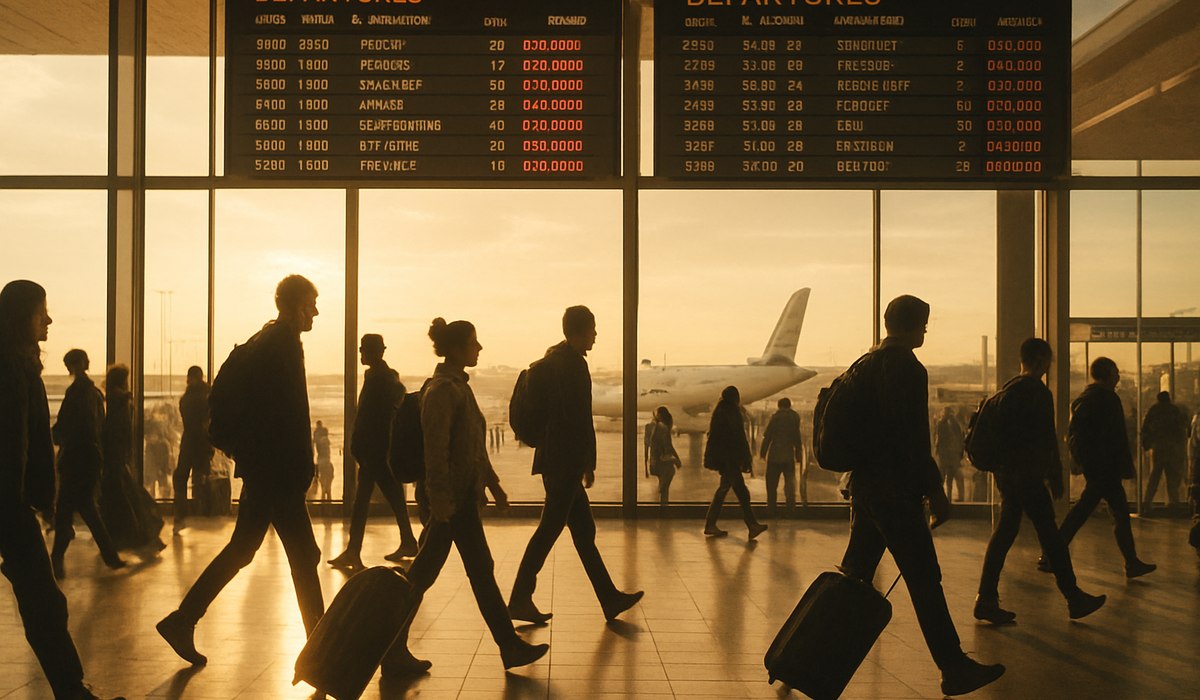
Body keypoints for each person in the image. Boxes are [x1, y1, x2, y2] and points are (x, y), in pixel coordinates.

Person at [838, 295, 1004, 696]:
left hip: (865, 488)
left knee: (853, 579)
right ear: (917, 326)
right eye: (925, 324)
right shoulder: (908, 368)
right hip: (895, 493)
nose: (926, 331)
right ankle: (953, 667)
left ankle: (805, 655)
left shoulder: (864, 364)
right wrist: (934, 489)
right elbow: (910, 438)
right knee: (925, 579)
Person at [157, 275, 325, 666]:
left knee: (244, 549)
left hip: (263, 469)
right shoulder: (282, 346)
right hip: (277, 473)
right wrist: (298, 466)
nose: (315, 312)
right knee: (304, 556)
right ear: (294, 306)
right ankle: (319, 652)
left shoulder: (263, 341)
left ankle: (183, 620)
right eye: (311, 305)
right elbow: (287, 416)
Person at [380, 319, 547, 676]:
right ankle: (507, 646)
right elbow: (435, 451)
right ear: (456, 350)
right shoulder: (443, 391)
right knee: (465, 572)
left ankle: (392, 648)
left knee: (431, 574)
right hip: (451, 502)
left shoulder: (457, 387)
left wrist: (493, 485)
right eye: (473, 342)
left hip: (458, 499)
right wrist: (440, 500)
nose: (479, 348)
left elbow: (471, 448)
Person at [0, 280, 125, 700]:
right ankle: (71, 690)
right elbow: (16, 444)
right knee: (45, 601)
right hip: (10, 504)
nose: (49, 320)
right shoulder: (16, 370)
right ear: (24, 318)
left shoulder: (15, 367)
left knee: (43, 600)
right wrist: (29, 500)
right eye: (42, 313)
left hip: (12, 502)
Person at [508, 306, 643, 624]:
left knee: (582, 531)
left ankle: (608, 598)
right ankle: (519, 598)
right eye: (592, 329)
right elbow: (579, 419)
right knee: (551, 529)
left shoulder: (553, 359)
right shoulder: (573, 366)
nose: (596, 335)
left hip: (554, 459)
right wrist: (587, 462)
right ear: (581, 331)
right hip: (565, 462)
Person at [973, 338, 1106, 625]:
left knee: (1006, 533)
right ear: (1039, 360)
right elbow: (1045, 438)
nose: (1048, 367)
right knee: (1050, 535)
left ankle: (986, 598)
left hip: (1007, 475)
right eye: (1048, 361)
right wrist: (1054, 474)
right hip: (1028, 476)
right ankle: (1073, 597)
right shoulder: (1037, 392)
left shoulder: (1005, 391)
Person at [1054, 357, 1156, 578]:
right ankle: (1054, 553)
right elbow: (1114, 437)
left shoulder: (1088, 398)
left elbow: (1079, 435)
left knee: (1099, 511)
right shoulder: (1106, 399)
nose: (1118, 375)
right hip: (1106, 466)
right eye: (1115, 371)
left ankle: (1053, 554)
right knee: (1106, 512)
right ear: (1107, 374)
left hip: (1099, 465)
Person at [328, 333, 419, 570]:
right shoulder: (383, 378)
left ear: (374, 352)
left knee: (371, 500)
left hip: (374, 451)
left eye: (363, 349)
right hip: (375, 450)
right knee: (385, 497)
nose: (360, 353)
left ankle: (356, 550)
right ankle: (403, 541)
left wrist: (363, 446)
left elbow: (372, 418)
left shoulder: (381, 379)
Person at [49, 349, 125, 579]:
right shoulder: (94, 394)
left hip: (74, 459)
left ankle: (57, 558)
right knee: (86, 508)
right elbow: (97, 426)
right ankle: (110, 557)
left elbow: (66, 426)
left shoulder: (75, 393)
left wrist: (53, 436)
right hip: (90, 458)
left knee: (67, 509)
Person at [99, 364, 166, 553]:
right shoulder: (123, 402)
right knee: (132, 497)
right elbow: (122, 431)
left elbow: (111, 431)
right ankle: (146, 535)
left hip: (113, 456)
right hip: (118, 456)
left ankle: (129, 537)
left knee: (123, 498)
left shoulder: (113, 401)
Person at [703, 386, 768, 538]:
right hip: (730, 459)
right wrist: (745, 457)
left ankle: (711, 524)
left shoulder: (720, 412)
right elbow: (738, 437)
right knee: (742, 493)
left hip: (724, 458)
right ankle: (751, 524)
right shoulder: (731, 413)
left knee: (723, 490)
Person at [174, 366, 213, 532]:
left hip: (189, 442)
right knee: (202, 475)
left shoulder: (187, 398)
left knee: (180, 477)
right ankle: (208, 509)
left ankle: (180, 516)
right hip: (203, 442)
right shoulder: (208, 395)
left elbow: (187, 417)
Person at [1140, 391, 1188, 512]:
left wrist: (1147, 444)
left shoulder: (1154, 410)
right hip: (1172, 448)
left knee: (1155, 476)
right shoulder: (1174, 410)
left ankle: (1147, 502)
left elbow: (1145, 428)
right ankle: (1174, 502)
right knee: (1171, 476)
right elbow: (1180, 429)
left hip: (1158, 447)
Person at [760, 397, 803, 518]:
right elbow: (797, 437)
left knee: (771, 485)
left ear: (779, 406)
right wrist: (798, 454)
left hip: (774, 456)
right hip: (788, 456)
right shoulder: (795, 418)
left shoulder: (776, 417)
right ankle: (790, 511)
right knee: (790, 485)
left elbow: (767, 436)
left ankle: (771, 510)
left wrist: (763, 452)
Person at [647, 406, 682, 510]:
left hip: (654, 461)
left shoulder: (654, 427)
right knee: (668, 477)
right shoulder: (663, 429)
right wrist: (676, 459)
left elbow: (650, 445)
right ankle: (663, 506)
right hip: (661, 461)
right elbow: (668, 446)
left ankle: (663, 506)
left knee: (664, 485)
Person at [935, 406, 967, 502]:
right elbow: (959, 439)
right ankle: (952, 498)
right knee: (952, 478)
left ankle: (945, 499)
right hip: (952, 456)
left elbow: (939, 440)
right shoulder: (954, 423)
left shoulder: (943, 424)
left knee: (946, 478)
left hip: (947, 456)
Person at [311, 420, 332, 500]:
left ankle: (323, 491)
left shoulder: (318, 434)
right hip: (325, 457)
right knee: (325, 476)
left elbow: (314, 442)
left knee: (321, 475)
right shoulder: (324, 436)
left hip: (322, 457)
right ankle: (326, 493)